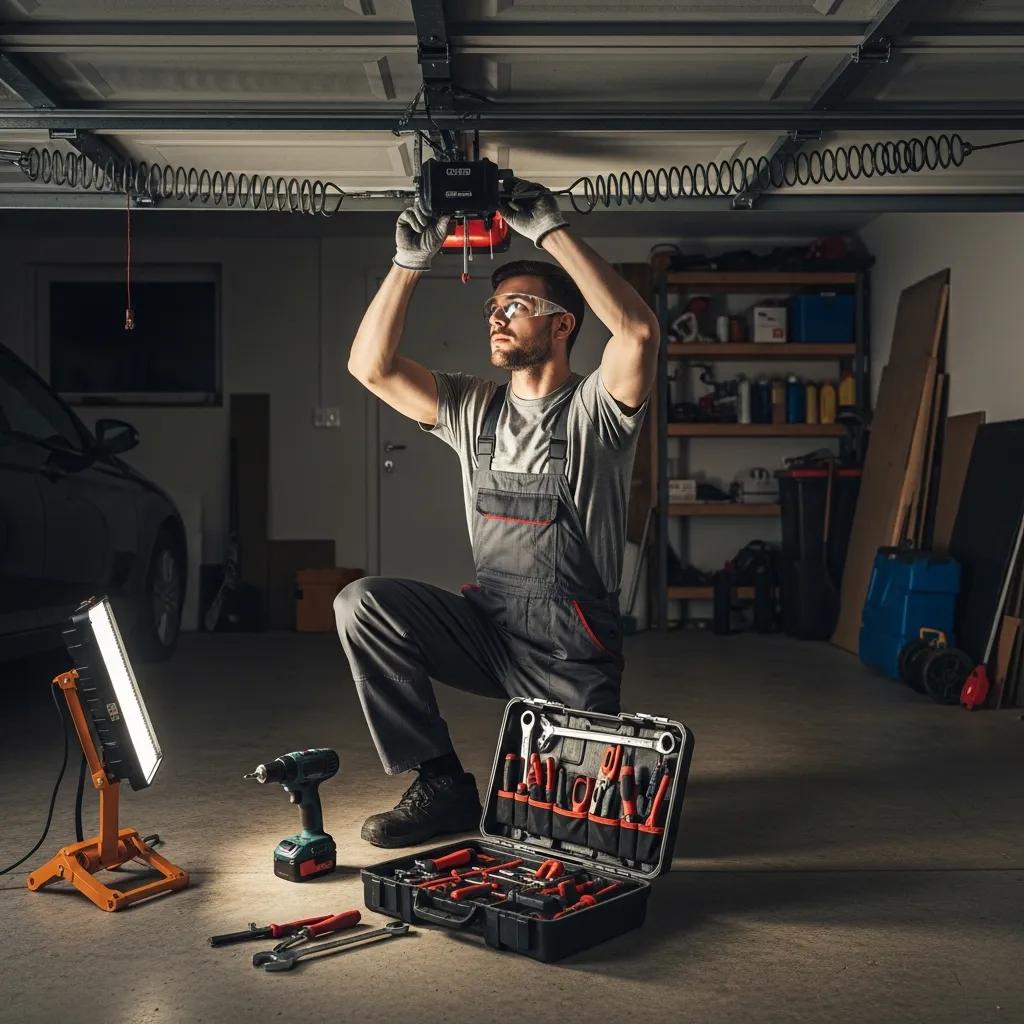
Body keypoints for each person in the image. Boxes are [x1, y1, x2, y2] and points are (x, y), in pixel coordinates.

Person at [338, 178, 659, 848]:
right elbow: (370, 367)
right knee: (362, 603)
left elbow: (636, 330)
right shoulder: (471, 407)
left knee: (569, 833)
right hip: (490, 629)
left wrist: (549, 230)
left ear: (562, 323)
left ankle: (577, 767)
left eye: (515, 306)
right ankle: (441, 783)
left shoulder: (598, 410)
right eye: (492, 306)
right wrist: (407, 263)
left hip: (574, 651)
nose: (495, 317)